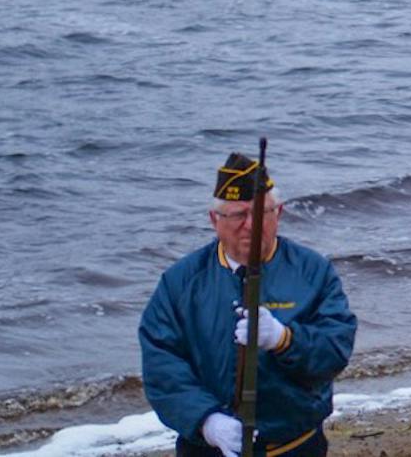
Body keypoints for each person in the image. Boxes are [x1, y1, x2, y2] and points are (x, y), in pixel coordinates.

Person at [139, 153, 357, 457]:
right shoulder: (181, 282)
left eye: (262, 213)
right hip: (209, 449)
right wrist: (207, 421)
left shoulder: (313, 272)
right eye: (238, 215)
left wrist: (284, 340)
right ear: (214, 219)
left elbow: (335, 350)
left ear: (278, 213)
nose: (251, 226)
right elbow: (161, 365)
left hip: (294, 446)